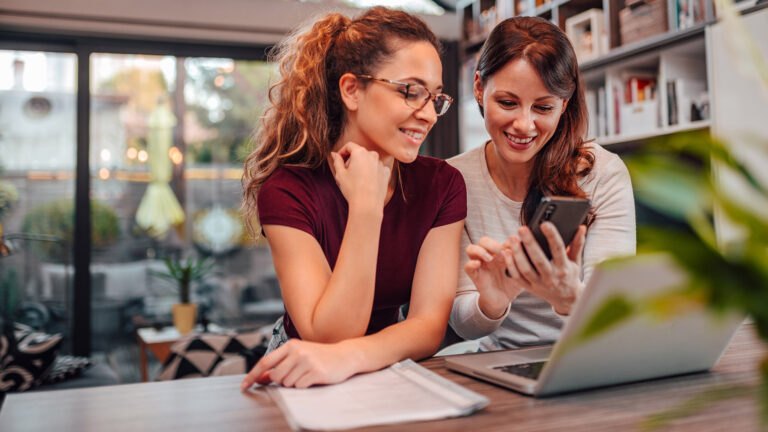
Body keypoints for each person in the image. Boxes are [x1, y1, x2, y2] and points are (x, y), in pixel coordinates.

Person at [240, 7, 466, 389]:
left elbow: (428, 327)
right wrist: (366, 208)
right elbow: (327, 338)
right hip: (306, 372)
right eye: (411, 91)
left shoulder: (442, 185)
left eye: (435, 98)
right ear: (351, 90)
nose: (428, 114)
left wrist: (357, 357)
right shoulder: (287, 190)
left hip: (388, 361)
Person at [447, 17, 636, 352]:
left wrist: (570, 297)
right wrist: (492, 302)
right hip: (500, 361)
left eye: (543, 107)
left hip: (589, 355)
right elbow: (463, 324)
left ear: (564, 104)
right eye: (507, 102)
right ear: (478, 87)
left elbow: (615, 315)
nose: (524, 125)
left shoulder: (602, 173)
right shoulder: (453, 180)